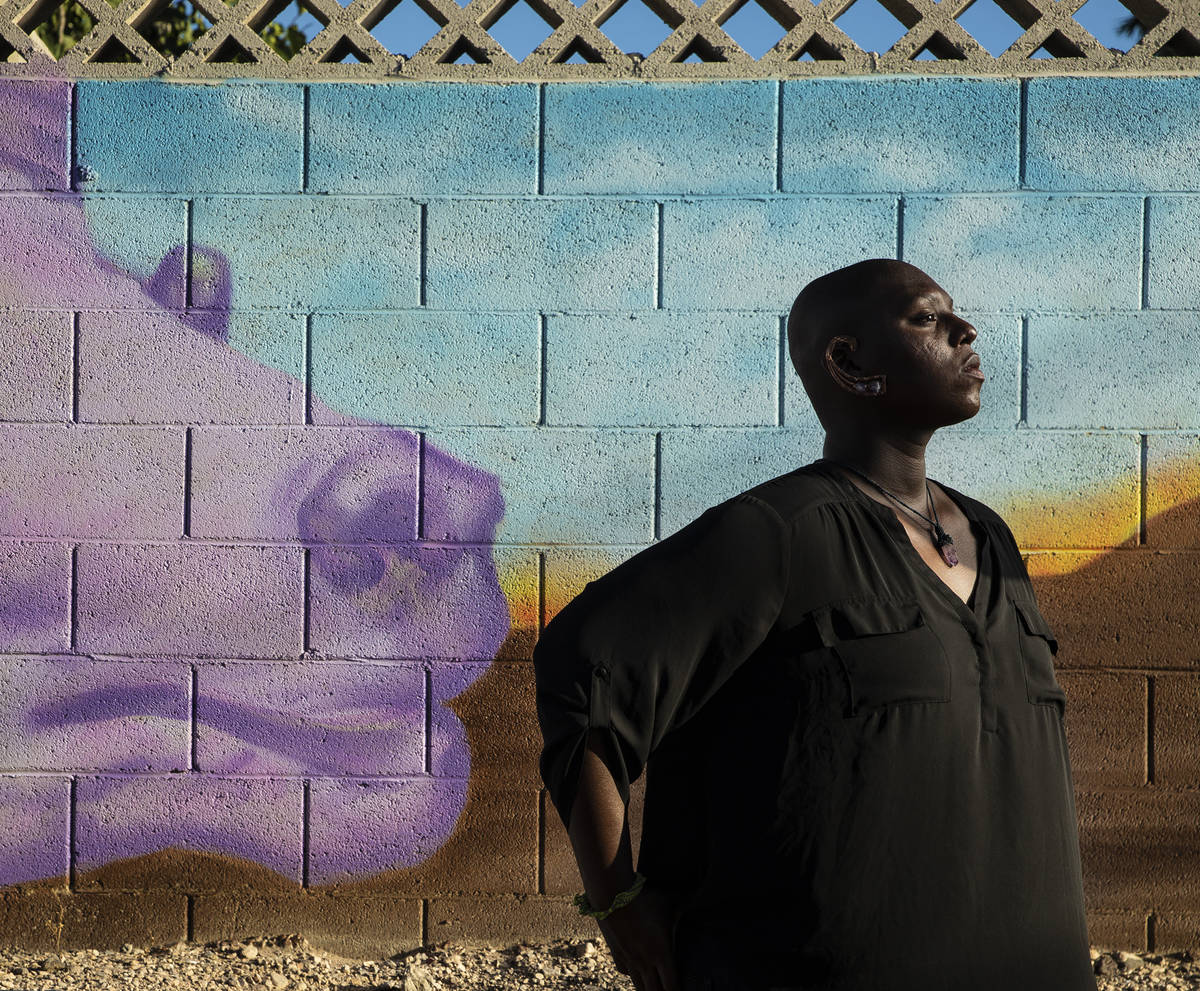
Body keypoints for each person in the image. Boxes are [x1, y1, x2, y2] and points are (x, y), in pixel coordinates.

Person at [532, 259, 1097, 991]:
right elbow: (585, 668)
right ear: (848, 361)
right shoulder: (774, 534)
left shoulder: (992, 537)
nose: (965, 330)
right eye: (928, 318)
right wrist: (617, 901)